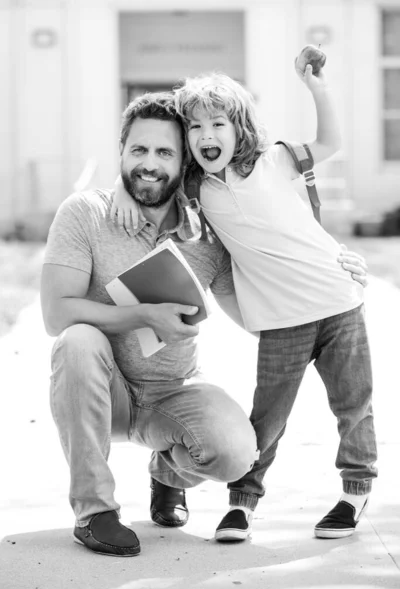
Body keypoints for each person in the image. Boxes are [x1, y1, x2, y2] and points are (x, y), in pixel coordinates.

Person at [111, 54, 376, 543]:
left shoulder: (274, 160)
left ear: (239, 127)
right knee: (266, 420)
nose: (206, 134)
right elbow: (148, 179)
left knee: (352, 405)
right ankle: (243, 502)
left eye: (218, 123)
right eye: (194, 127)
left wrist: (316, 87)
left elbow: (332, 142)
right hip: (281, 322)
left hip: (339, 303)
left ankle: (355, 489)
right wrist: (123, 192)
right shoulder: (194, 188)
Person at [40, 91, 260, 557]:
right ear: (121, 151)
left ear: (184, 163)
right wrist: (141, 314)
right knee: (76, 340)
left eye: (164, 153)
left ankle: (168, 476)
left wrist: (326, 272)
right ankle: (94, 511)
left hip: (172, 390)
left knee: (235, 452)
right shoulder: (86, 213)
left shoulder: (207, 233)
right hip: (105, 390)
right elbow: (56, 314)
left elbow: (254, 318)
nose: (149, 164)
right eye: (138, 150)